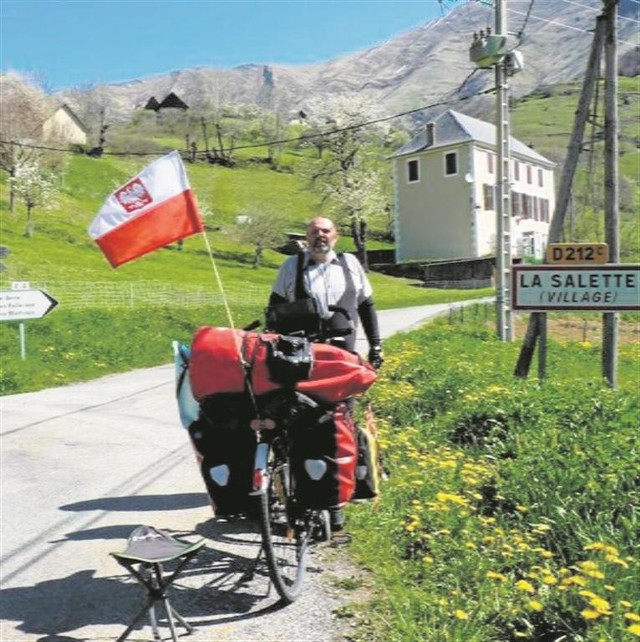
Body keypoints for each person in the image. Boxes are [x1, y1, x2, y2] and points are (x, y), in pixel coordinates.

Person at [268, 216, 383, 533]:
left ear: (336, 235)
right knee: (296, 423)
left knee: (340, 426)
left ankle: (336, 502)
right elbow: (274, 309)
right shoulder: (292, 266)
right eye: (314, 231)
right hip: (300, 358)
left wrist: (376, 345)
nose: (320, 235)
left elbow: (367, 306)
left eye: (326, 231)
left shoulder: (350, 264)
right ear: (306, 236)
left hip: (341, 360)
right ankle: (292, 493)